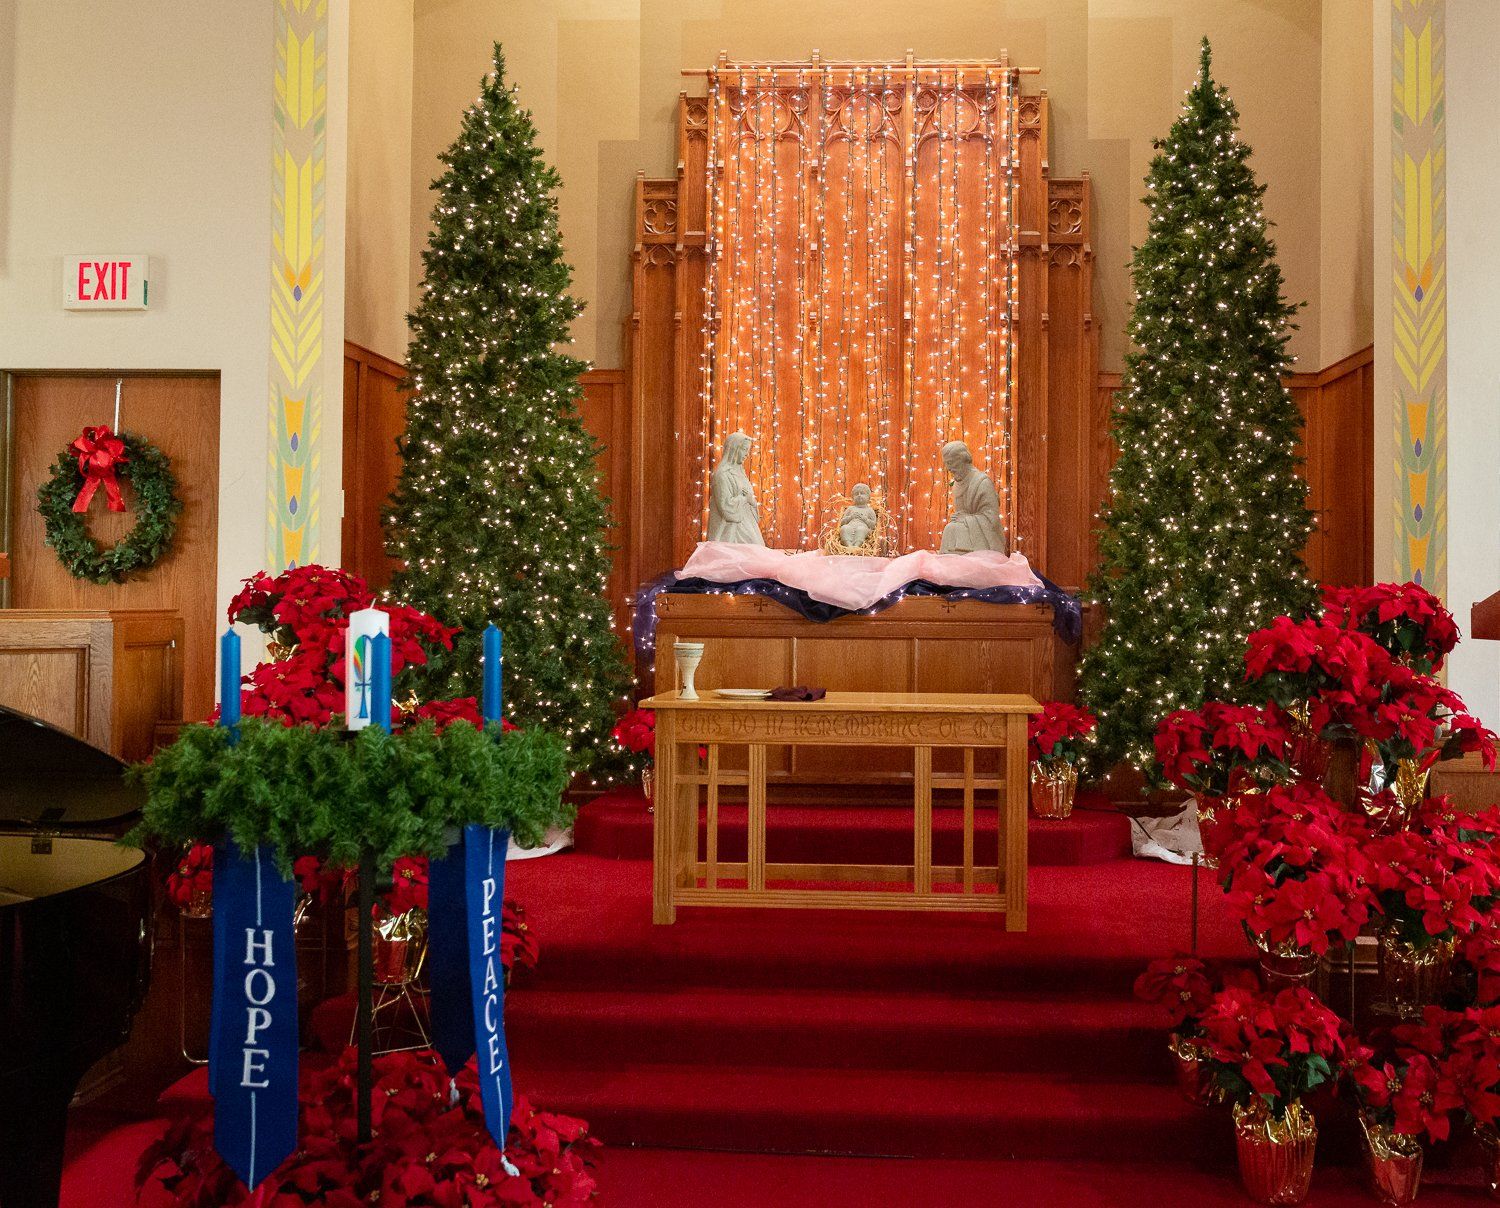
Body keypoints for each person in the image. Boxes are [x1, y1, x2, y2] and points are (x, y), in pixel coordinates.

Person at [938, 439, 1005, 554]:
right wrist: (960, 517)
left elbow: (991, 519)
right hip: (966, 531)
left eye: (950, 463)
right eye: (946, 464)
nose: (948, 468)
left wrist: (966, 519)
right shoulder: (958, 483)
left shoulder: (982, 482)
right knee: (950, 528)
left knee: (951, 529)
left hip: (983, 538)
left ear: (962, 459)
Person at [706, 431, 765, 545]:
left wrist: (751, 501)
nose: (747, 454)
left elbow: (748, 496)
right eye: (744, 449)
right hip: (731, 531)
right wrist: (745, 499)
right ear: (733, 449)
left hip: (747, 525)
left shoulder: (741, 472)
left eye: (748, 450)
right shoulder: (722, 474)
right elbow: (725, 506)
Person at [838, 484, 878, 549]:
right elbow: (842, 522)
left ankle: (857, 546)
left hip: (863, 527)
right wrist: (850, 517)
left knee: (861, 529)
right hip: (850, 526)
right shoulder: (850, 509)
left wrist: (865, 519)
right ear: (853, 497)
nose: (859, 495)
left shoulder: (869, 510)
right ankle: (848, 546)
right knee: (844, 528)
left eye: (862, 493)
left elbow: (873, 525)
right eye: (856, 494)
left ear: (868, 497)